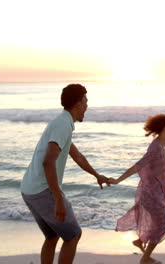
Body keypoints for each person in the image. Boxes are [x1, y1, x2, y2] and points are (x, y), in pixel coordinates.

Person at [21, 84, 110, 264]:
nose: (87, 106)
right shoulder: (63, 125)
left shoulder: (62, 122)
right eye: (85, 101)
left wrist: (96, 175)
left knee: (52, 237)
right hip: (42, 190)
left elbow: (77, 155)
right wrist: (58, 200)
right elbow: (48, 162)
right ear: (77, 104)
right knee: (73, 236)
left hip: (29, 189)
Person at [110, 114, 165, 264]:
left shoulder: (163, 143)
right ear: (164, 129)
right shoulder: (155, 148)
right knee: (161, 227)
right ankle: (145, 258)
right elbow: (137, 166)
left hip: (160, 193)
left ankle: (140, 241)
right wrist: (118, 180)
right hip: (152, 194)